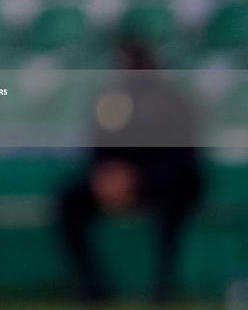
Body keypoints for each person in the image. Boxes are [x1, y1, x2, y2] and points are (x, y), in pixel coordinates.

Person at [56, 38, 204, 303]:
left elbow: (181, 156)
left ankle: (163, 286)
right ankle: (94, 284)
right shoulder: (112, 103)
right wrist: (104, 176)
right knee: (68, 199)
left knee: (175, 201)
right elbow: (99, 146)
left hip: (164, 182)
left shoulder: (173, 101)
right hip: (119, 183)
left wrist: (137, 178)